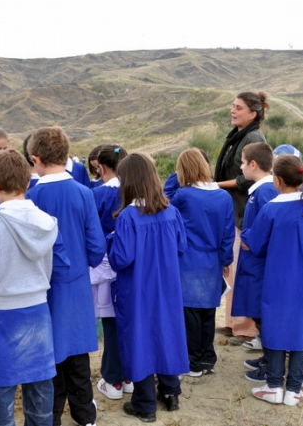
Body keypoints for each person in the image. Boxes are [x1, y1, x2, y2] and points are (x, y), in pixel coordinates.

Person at [0, 150, 68, 426]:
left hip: (1, 317)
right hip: (38, 314)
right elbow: (61, 265)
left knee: (2, 392)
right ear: (28, 183)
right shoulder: (48, 223)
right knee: (39, 389)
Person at [241, 155, 303, 406]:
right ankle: (294, 390)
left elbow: (252, 243)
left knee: (275, 328)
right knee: (302, 330)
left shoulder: (271, 208)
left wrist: (246, 235)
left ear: (276, 180)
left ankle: (274, 386)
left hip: (280, 280)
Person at [26, 127, 105, 426]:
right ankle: (85, 416)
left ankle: (51, 417)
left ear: (36, 159)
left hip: (42, 287)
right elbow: (97, 246)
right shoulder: (84, 193)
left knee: (50, 357)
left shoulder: (32, 196)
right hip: (76, 286)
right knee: (78, 355)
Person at [108, 153, 189, 422]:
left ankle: (144, 403)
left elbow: (122, 259)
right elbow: (181, 247)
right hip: (167, 287)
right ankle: (171, 392)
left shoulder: (129, 217)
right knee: (166, 333)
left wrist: (111, 243)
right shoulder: (171, 211)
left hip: (138, 289)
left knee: (139, 338)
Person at [171, 148, 235, 377]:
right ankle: (208, 358)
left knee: (190, 312)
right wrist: (226, 259)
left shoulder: (184, 195)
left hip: (188, 259)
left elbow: (165, 202)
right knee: (208, 311)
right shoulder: (223, 196)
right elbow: (228, 233)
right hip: (212, 259)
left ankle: (193, 361)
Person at [214, 91, 269, 345]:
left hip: (243, 212)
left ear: (253, 113)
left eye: (238, 107)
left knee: (240, 269)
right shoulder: (238, 136)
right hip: (233, 210)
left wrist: (215, 185)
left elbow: (246, 178)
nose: (233, 111)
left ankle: (245, 328)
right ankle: (232, 322)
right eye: (232, 106)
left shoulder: (254, 137)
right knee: (230, 269)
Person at [230, 143, 279, 381]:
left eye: (242, 162)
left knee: (263, 315)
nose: (240, 167)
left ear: (253, 164)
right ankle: (267, 358)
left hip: (260, 265)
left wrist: (251, 240)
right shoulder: (258, 190)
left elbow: (270, 228)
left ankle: (272, 364)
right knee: (258, 314)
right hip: (254, 263)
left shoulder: (266, 191)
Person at [90, 144, 134, 401]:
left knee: (110, 323)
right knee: (127, 320)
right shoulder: (135, 190)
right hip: (130, 265)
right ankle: (129, 376)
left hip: (105, 264)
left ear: (100, 167)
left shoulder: (98, 195)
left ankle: (113, 378)